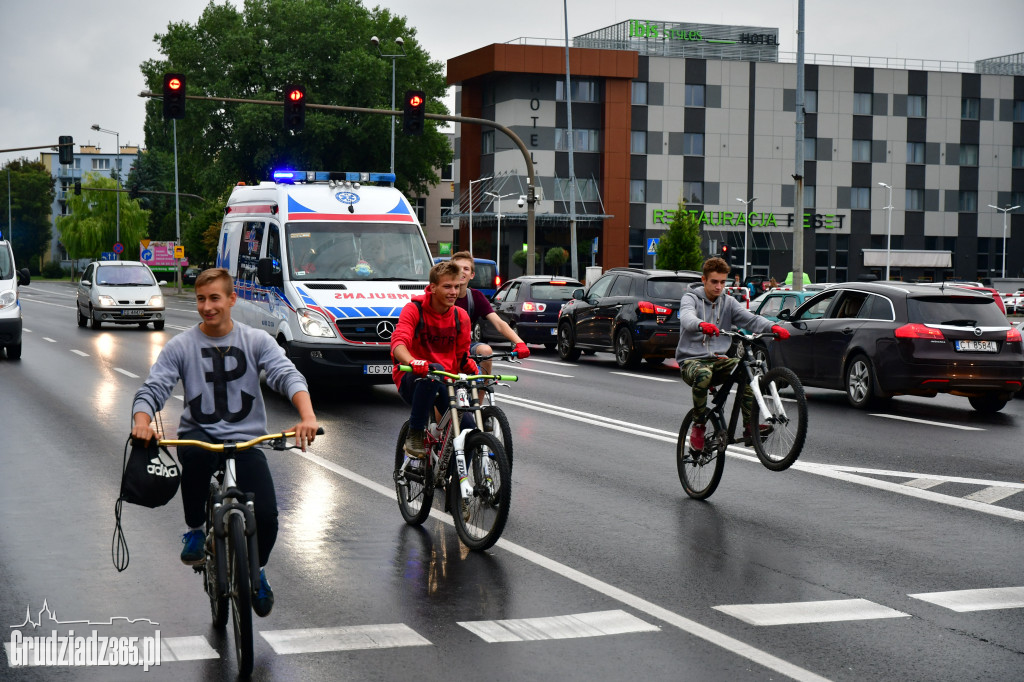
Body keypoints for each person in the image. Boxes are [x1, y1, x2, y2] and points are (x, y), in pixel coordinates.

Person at [131, 268, 319, 618]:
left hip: (247, 439)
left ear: (232, 299)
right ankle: (194, 530)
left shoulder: (257, 340)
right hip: (199, 436)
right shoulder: (181, 345)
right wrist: (142, 422)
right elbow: (154, 388)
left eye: (215, 298)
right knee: (196, 462)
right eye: (201, 299)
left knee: (266, 516)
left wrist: (306, 415)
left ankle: (257, 571)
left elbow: (286, 374)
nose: (207, 306)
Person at [675, 257, 790, 450]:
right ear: (704, 280)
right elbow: (687, 317)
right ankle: (699, 426)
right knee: (704, 374)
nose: (719, 287)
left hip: (718, 360)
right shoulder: (691, 298)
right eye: (714, 282)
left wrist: (773, 327)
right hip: (691, 361)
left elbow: (750, 320)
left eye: (722, 282)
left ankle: (749, 427)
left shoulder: (728, 302)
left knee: (747, 371)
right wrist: (701, 325)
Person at [391, 260, 479, 459]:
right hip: (413, 379)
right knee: (433, 371)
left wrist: (477, 371)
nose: (453, 292)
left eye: (457, 286)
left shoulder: (461, 316)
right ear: (433, 288)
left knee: (469, 431)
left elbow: (462, 355)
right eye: (447, 286)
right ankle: (415, 433)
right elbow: (398, 343)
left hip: (444, 382)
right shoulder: (414, 309)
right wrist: (413, 361)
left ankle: (455, 484)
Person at [450, 251, 530, 374]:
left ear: (472, 275)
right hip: (440, 345)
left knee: (486, 351)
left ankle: (481, 392)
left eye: (466, 269)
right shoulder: (442, 295)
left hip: (464, 346)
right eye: (457, 268)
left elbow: (498, 322)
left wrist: (519, 343)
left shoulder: (476, 297)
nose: (461, 271)